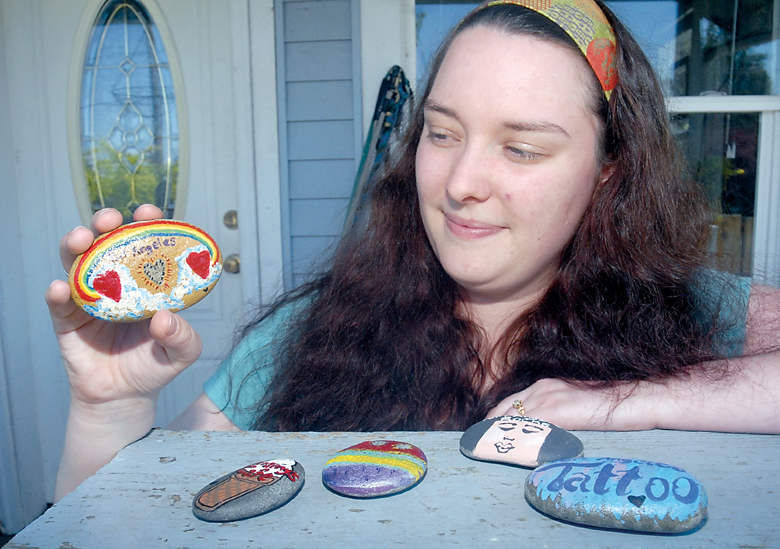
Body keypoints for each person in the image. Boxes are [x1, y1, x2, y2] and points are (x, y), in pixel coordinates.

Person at [47, 0, 780, 502]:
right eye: (442, 132)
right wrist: (106, 407)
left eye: (520, 147)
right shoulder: (313, 332)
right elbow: (127, 520)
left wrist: (634, 402)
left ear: (607, 173)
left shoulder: (685, 311)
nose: (461, 183)